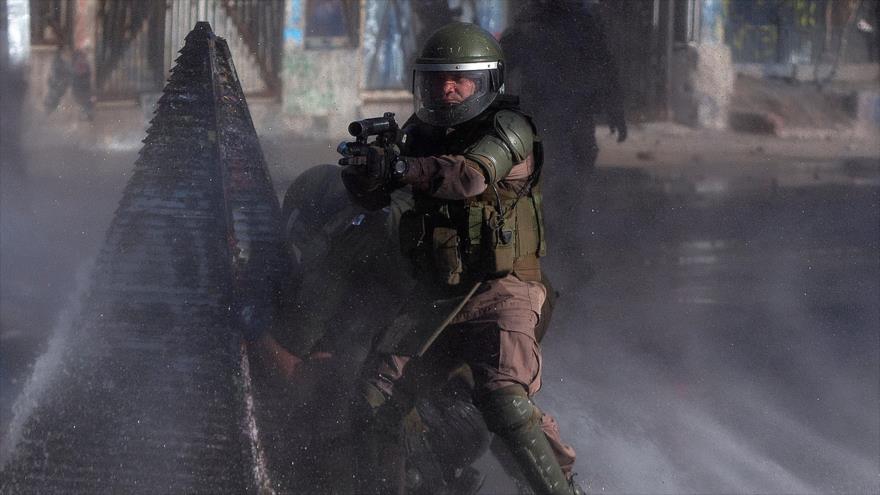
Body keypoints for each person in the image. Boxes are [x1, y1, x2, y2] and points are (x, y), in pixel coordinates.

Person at [339, 21, 583, 495]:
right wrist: (367, 174)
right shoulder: (421, 133)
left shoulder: (509, 128)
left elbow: (469, 176)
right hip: (436, 295)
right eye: (437, 81)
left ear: (486, 83)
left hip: (503, 290)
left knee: (504, 401)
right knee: (373, 400)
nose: (447, 90)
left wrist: (400, 166)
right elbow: (377, 199)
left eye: (459, 81)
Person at [501, 0, 626, 183]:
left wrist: (615, 109)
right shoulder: (532, 23)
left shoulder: (581, 23)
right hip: (546, 111)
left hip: (571, 110)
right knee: (556, 168)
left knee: (575, 162)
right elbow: (502, 66)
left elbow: (604, 67)